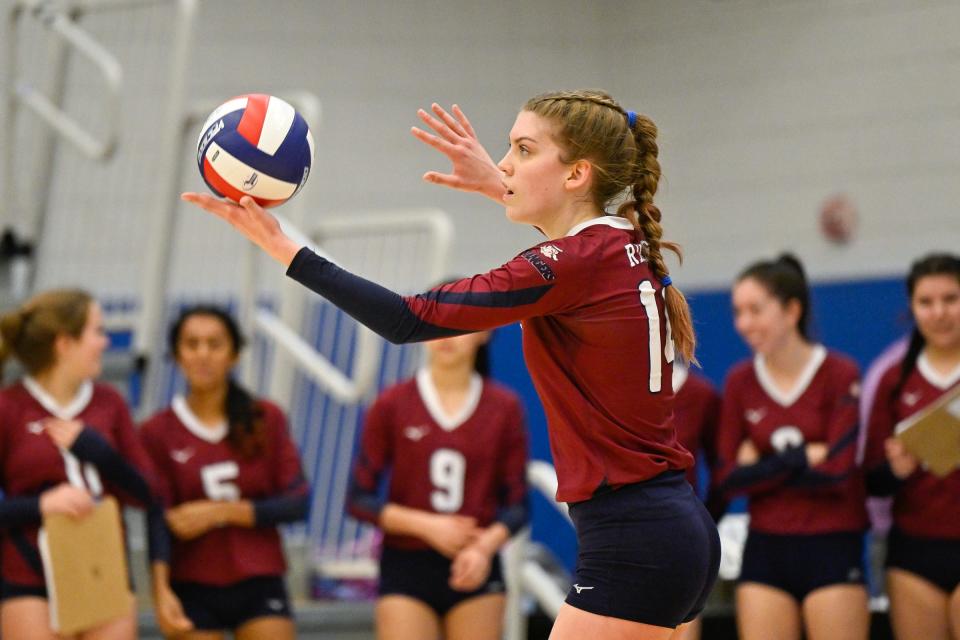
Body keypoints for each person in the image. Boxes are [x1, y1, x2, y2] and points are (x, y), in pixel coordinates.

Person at [183, 89, 720, 640]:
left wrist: (285, 248)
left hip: (634, 536)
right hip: (668, 524)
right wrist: (499, 185)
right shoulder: (623, 240)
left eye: (523, 150)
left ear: (577, 172)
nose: (505, 161)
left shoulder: (568, 265)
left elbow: (408, 320)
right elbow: (568, 245)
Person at [0, 288, 169, 640]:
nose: (105, 342)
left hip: (103, 568)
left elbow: (150, 493)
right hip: (29, 573)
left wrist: (98, 452)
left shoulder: (110, 403)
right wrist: (41, 504)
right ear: (64, 343)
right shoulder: (9, 407)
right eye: (97, 331)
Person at [715, 254, 869, 640]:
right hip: (766, 548)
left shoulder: (840, 373)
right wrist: (802, 457)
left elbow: (837, 471)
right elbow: (727, 479)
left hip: (832, 544)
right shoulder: (739, 382)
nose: (743, 323)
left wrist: (762, 465)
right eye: (737, 311)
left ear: (792, 310)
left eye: (755, 310)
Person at [139, 306, 310, 640]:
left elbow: (298, 503)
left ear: (234, 354)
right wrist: (160, 590)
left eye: (215, 344)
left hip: (260, 578)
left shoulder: (266, 419)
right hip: (191, 581)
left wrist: (220, 511)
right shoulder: (156, 431)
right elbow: (157, 518)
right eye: (192, 344)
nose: (203, 354)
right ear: (176, 355)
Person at [347, 326, 527, 640]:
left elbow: (518, 506)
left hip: (475, 562)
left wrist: (484, 548)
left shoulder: (504, 406)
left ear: (484, 333)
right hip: (406, 563)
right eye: (435, 322)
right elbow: (358, 499)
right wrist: (429, 526)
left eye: (460, 324)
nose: (446, 335)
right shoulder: (391, 402)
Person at [862, 253, 960, 640]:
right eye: (926, 302)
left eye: (951, 299)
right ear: (912, 307)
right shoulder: (891, 377)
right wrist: (895, 471)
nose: (939, 313)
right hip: (914, 551)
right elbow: (871, 478)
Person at [670, 363, 722, 640]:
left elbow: (723, 473)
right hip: (616, 541)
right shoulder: (608, 388)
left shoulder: (700, 396)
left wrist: (703, 524)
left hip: (680, 545)